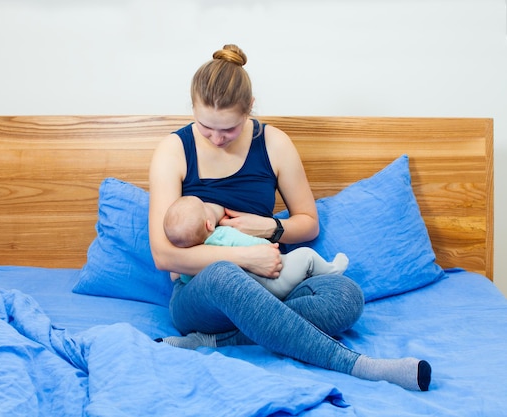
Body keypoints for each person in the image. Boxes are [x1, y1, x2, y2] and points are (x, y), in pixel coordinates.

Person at [148, 44, 431, 391]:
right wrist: (245, 256)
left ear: (250, 108)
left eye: (230, 129)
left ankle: (220, 341)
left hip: (271, 279)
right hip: (202, 295)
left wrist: (271, 227)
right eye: (206, 127)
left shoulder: (274, 144)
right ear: (192, 107)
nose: (217, 139)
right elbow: (164, 255)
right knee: (223, 274)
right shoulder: (173, 151)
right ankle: (360, 366)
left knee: (346, 295)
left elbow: (308, 222)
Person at [163, 195, 349, 299]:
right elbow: (259, 251)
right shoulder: (224, 234)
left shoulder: (191, 265)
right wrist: (268, 246)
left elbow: (182, 278)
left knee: (341, 297)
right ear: (209, 225)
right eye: (206, 207)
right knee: (306, 255)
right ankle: (331, 270)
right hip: (272, 277)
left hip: (249, 295)